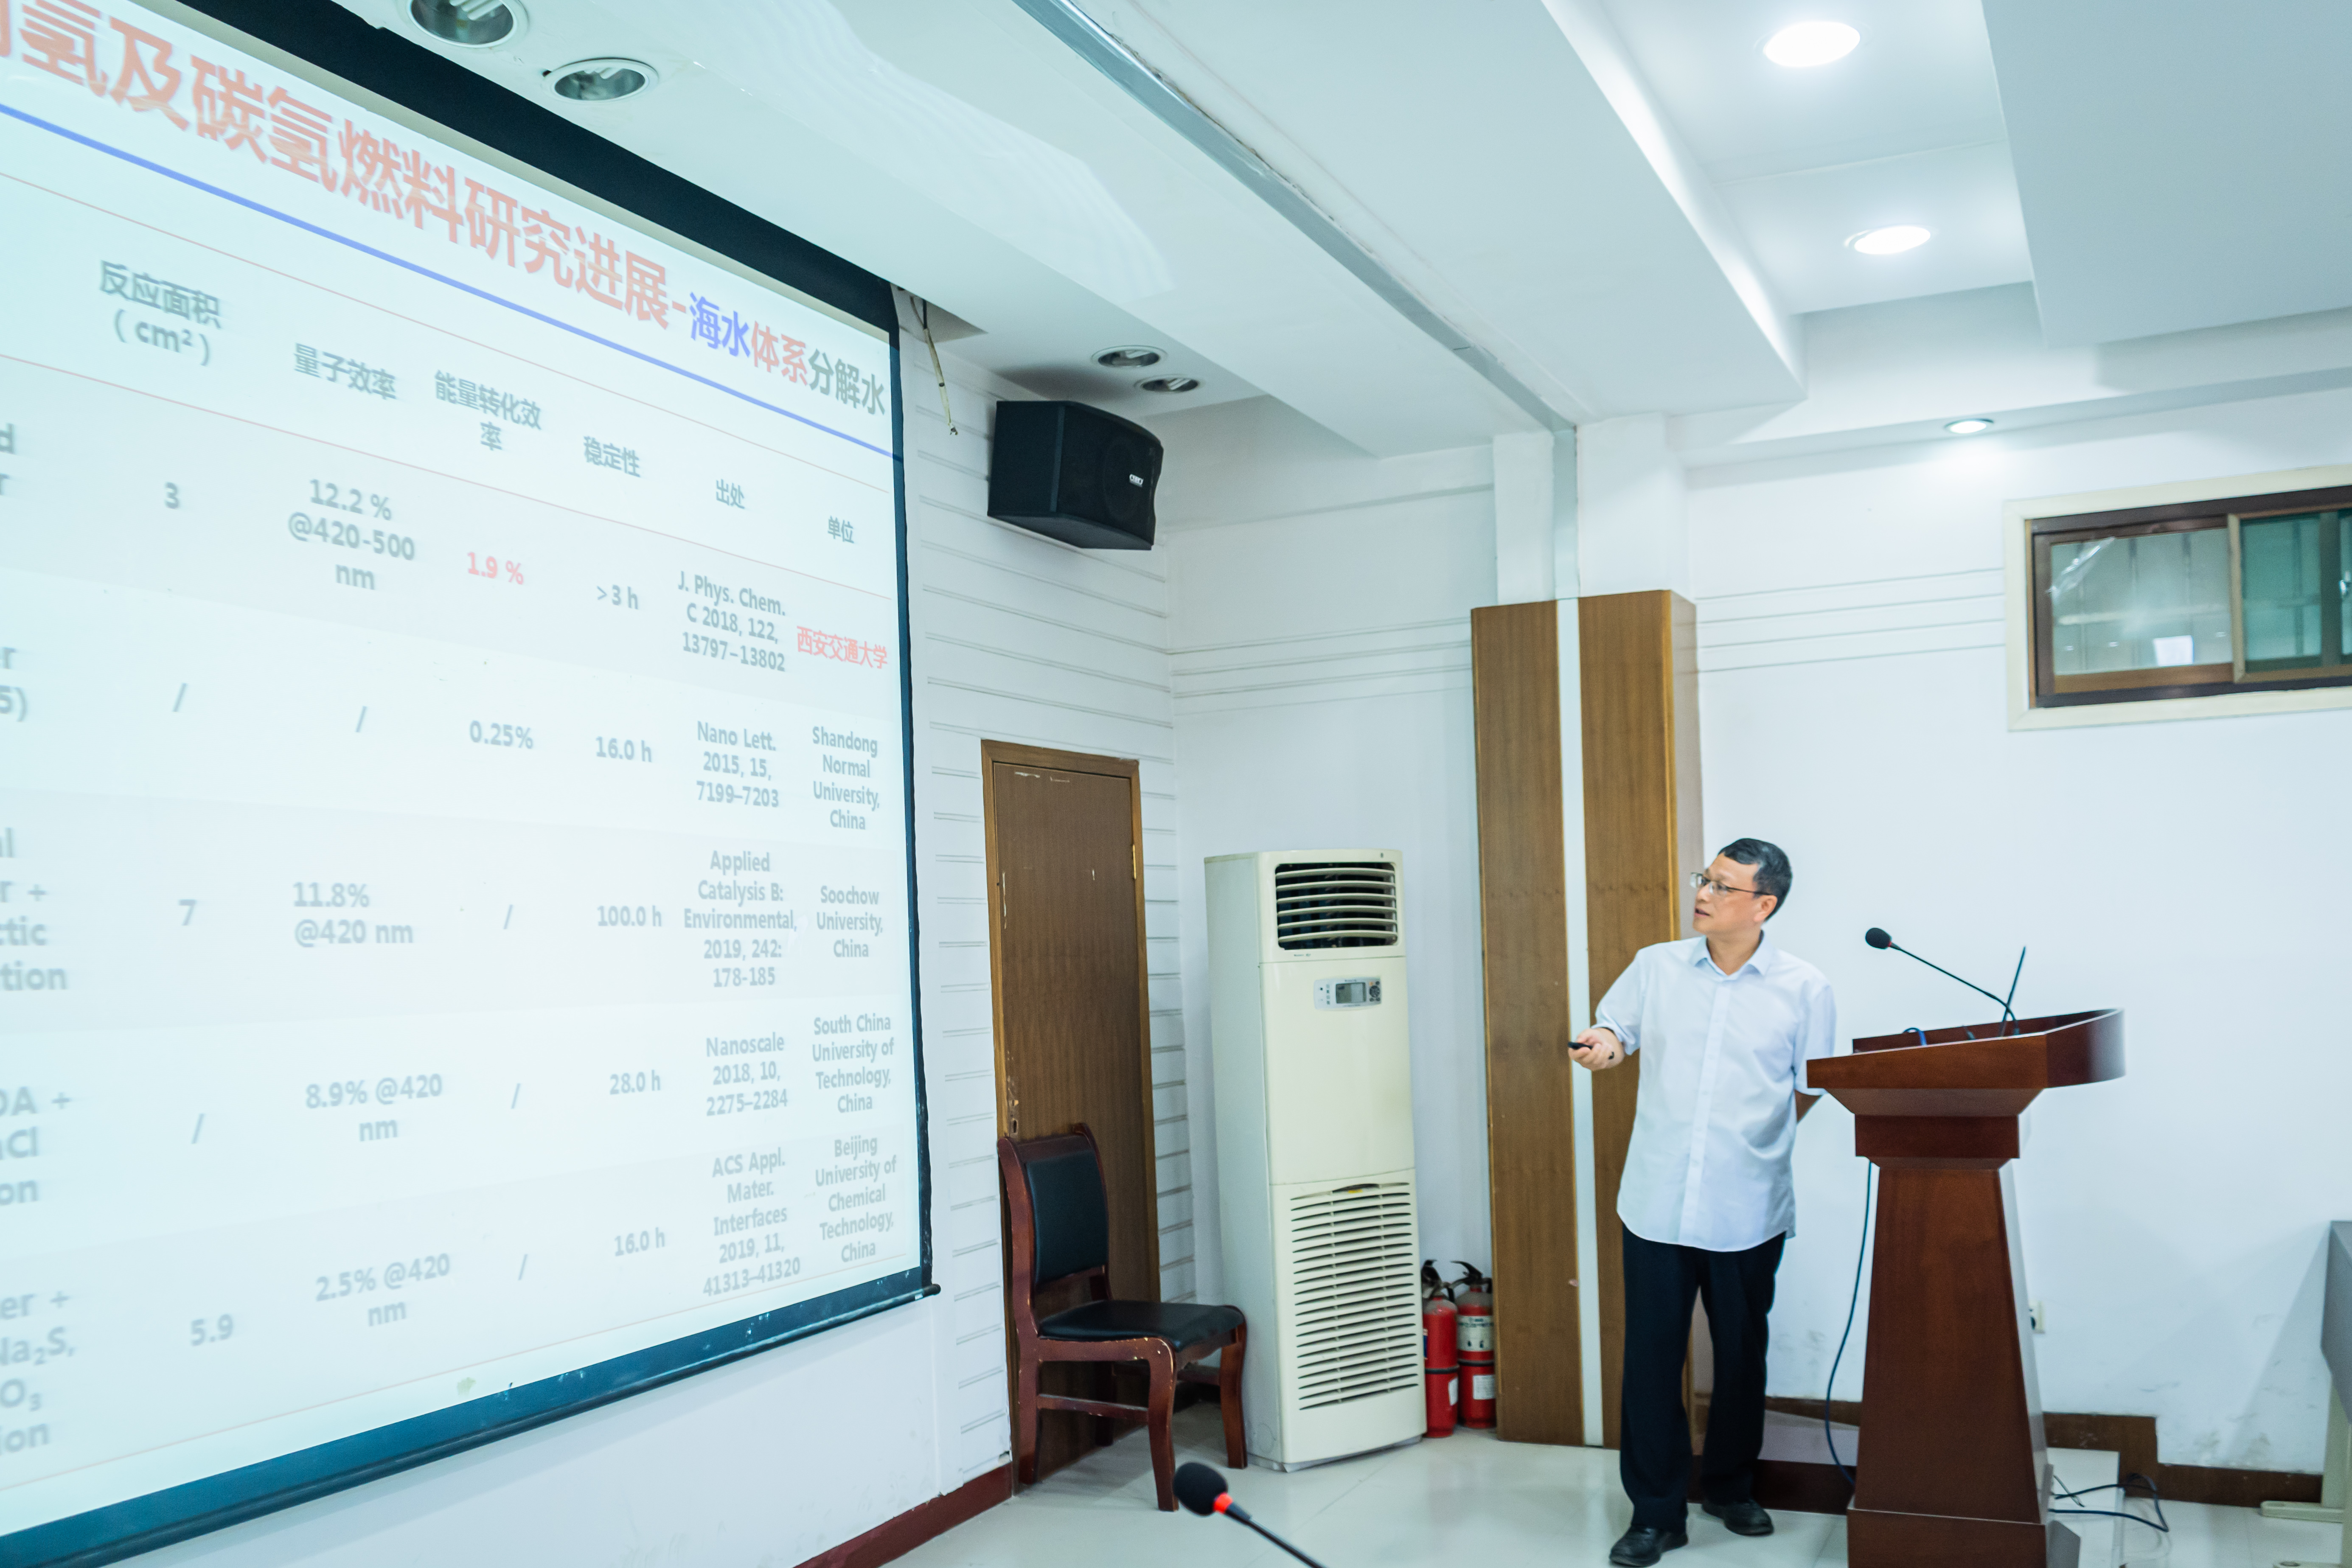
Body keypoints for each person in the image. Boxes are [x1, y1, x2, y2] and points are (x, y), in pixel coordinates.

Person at [1570, 838, 1836, 1567]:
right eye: (1704, 879)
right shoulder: (1656, 965)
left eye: (1722, 886)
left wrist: (1753, 1144)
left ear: (1763, 905)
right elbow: (1615, 1029)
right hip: (1656, 1199)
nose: (1703, 894)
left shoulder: (1804, 987)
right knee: (1651, 1361)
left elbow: (1810, 1086)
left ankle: (1729, 1487)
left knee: (1742, 1357)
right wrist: (1602, 1045)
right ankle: (1654, 1514)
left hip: (1747, 1204)